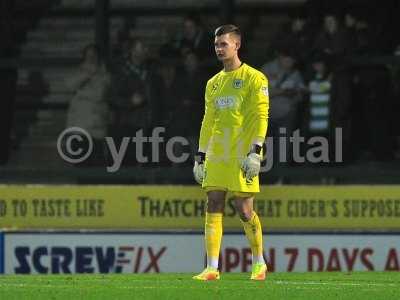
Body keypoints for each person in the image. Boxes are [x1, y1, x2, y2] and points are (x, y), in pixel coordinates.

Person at [192, 25, 269, 281]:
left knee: (244, 209)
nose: (219, 48)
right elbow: (207, 121)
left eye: (224, 44)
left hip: (242, 153)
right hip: (218, 152)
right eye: (216, 45)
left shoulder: (255, 78)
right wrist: (200, 156)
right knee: (213, 202)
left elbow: (261, 116)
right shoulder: (213, 84)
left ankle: (259, 262)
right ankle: (212, 267)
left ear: (237, 44)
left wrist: (256, 152)